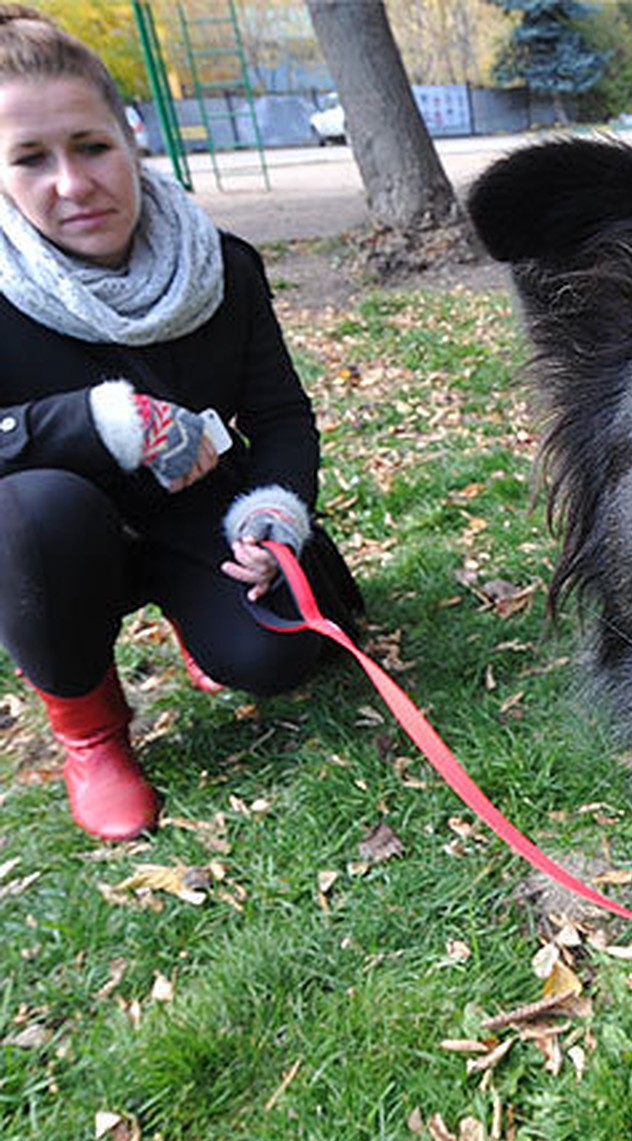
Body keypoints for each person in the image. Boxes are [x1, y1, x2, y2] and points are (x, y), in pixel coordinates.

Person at [0, 5, 362, 840]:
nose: (71, 182)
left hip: (192, 508)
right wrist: (97, 420)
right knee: (39, 510)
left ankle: (200, 620)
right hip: (48, 537)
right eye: (30, 159)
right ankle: (91, 734)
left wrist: (274, 511)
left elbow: (278, 412)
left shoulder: (223, 266)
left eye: (90, 146)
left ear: (131, 138)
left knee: (276, 657)